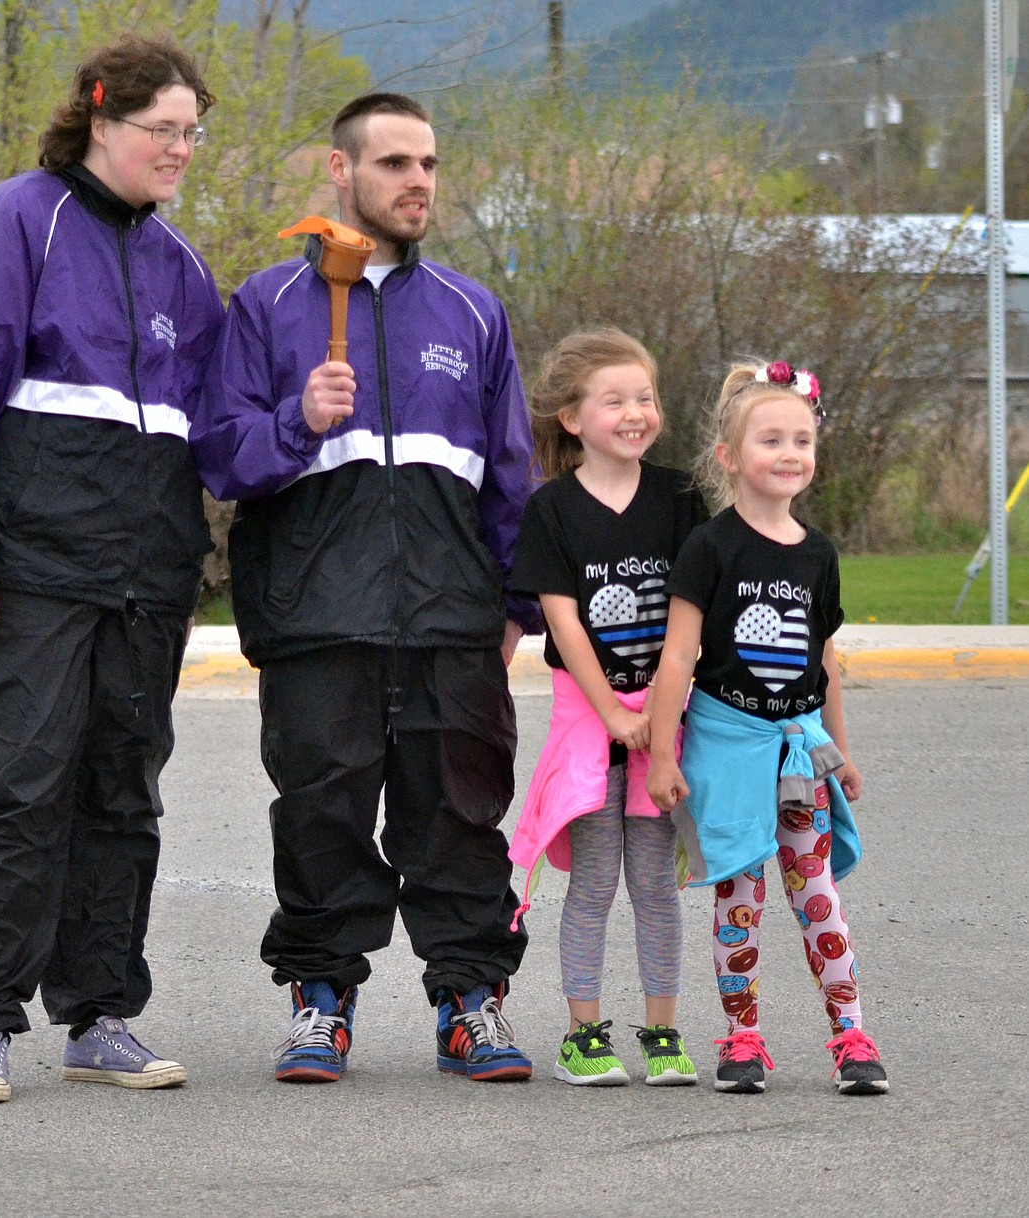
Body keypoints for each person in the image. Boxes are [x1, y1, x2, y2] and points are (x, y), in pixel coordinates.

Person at [0, 33, 225, 1103]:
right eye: (162, 130)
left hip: (147, 580)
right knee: (13, 793)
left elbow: (215, 434)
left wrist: (304, 418)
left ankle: (100, 1014)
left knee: (121, 798)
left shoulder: (181, 268)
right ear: (97, 116)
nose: (181, 149)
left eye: (192, 133)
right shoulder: (12, 223)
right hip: (25, 571)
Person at [191, 92, 535, 1083]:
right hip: (315, 616)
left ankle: (470, 1001)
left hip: (449, 622)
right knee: (321, 815)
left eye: (427, 163)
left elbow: (510, 476)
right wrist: (298, 418)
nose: (418, 182)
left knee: (460, 819)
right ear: (341, 174)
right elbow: (223, 459)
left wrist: (512, 608)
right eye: (394, 164)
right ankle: (321, 1001)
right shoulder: (266, 305)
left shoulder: (474, 311)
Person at [644, 359, 889, 1096]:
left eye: (802, 441)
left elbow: (824, 660)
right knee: (738, 900)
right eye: (771, 440)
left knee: (817, 897)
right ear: (729, 457)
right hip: (728, 750)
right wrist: (663, 755)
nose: (790, 455)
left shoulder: (819, 554)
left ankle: (850, 1035)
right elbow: (678, 656)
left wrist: (837, 751)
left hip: (796, 754)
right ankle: (741, 1038)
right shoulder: (710, 547)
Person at [506, 328, 707, 1087]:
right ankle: (582, 1034)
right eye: (614, 399)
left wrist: (658, 725)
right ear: (572, 418)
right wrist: (616, 718)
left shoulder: (682, 497)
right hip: (589, 718)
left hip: (666, 716)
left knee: (656, 884)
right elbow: (564, 626)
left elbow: (690, 621)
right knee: (592, 884)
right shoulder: (552, 511)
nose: (635, 412)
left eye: (645, 398)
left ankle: (662, 1030)